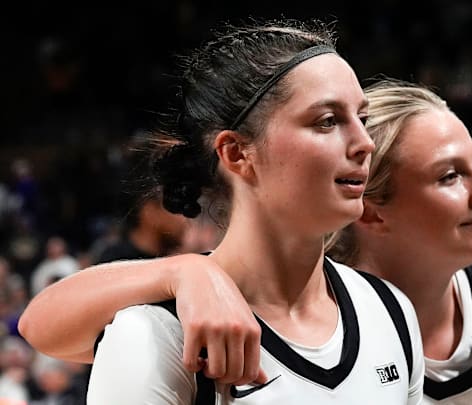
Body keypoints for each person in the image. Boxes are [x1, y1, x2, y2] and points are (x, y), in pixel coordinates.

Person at [19, 79, 472, 403]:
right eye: (449, 176)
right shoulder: (176, 323)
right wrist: (185, 270)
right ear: (370, 210)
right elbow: (41, 322)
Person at [22, 20, 427, 404]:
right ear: (236, 153)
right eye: (326, 121)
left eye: (363, 118)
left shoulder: (390, 310)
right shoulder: (157, 333)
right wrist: (182, 270)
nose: (364, 143)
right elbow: (37, 323)